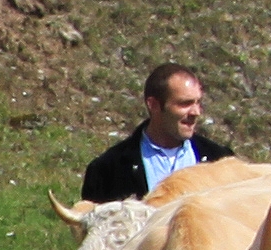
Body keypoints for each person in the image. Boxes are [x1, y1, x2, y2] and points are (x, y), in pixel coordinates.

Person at [79, 64, 234, 205]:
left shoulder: (220, 161)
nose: (196, 112)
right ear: (153, 105)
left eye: (198, 102)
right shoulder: (108, 171)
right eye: (184, 104)